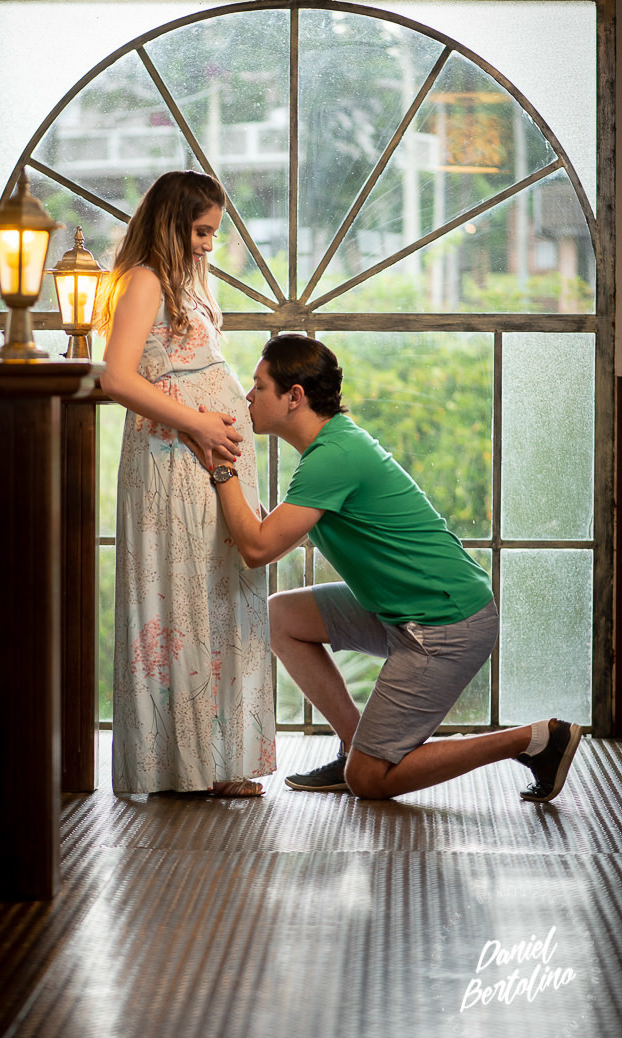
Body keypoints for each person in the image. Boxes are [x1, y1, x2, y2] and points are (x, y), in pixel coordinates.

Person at [191, 334, 581, 803]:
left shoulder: (333, 456)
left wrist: (220, 467)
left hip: (446, 623)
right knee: (281, 617)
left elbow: (257, 549)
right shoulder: (331, 446)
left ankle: (536, 739)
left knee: (370, 781)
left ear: (294, 397)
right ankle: (356, 746)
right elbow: (272, 534)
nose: (248, 397)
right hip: (403, 609)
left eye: (258, 386)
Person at [96, 171, 275, 797]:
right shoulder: (144, 279)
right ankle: (182, 766)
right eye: (200, 232)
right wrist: (198, 423)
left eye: (212, 234)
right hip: (171, 461)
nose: (207, 244)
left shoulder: (189, 286)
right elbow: (116, 378)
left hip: (206, 463)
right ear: (172, 224)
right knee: (181, 600)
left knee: (218, 598)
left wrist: (214, 430)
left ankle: (217, 759)